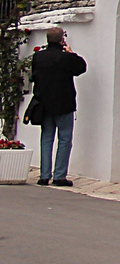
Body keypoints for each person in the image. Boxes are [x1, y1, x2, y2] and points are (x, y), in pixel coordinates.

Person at [30, 27, 86, 186]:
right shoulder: (65, 57)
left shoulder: (38, 57)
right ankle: (59, 175)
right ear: (62, 40)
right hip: (64, 103)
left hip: (44, 103)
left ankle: (44, 175)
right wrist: (71, 53)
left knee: (47, 138)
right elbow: (81, 68)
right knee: (65, 138)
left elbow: (34, 76)